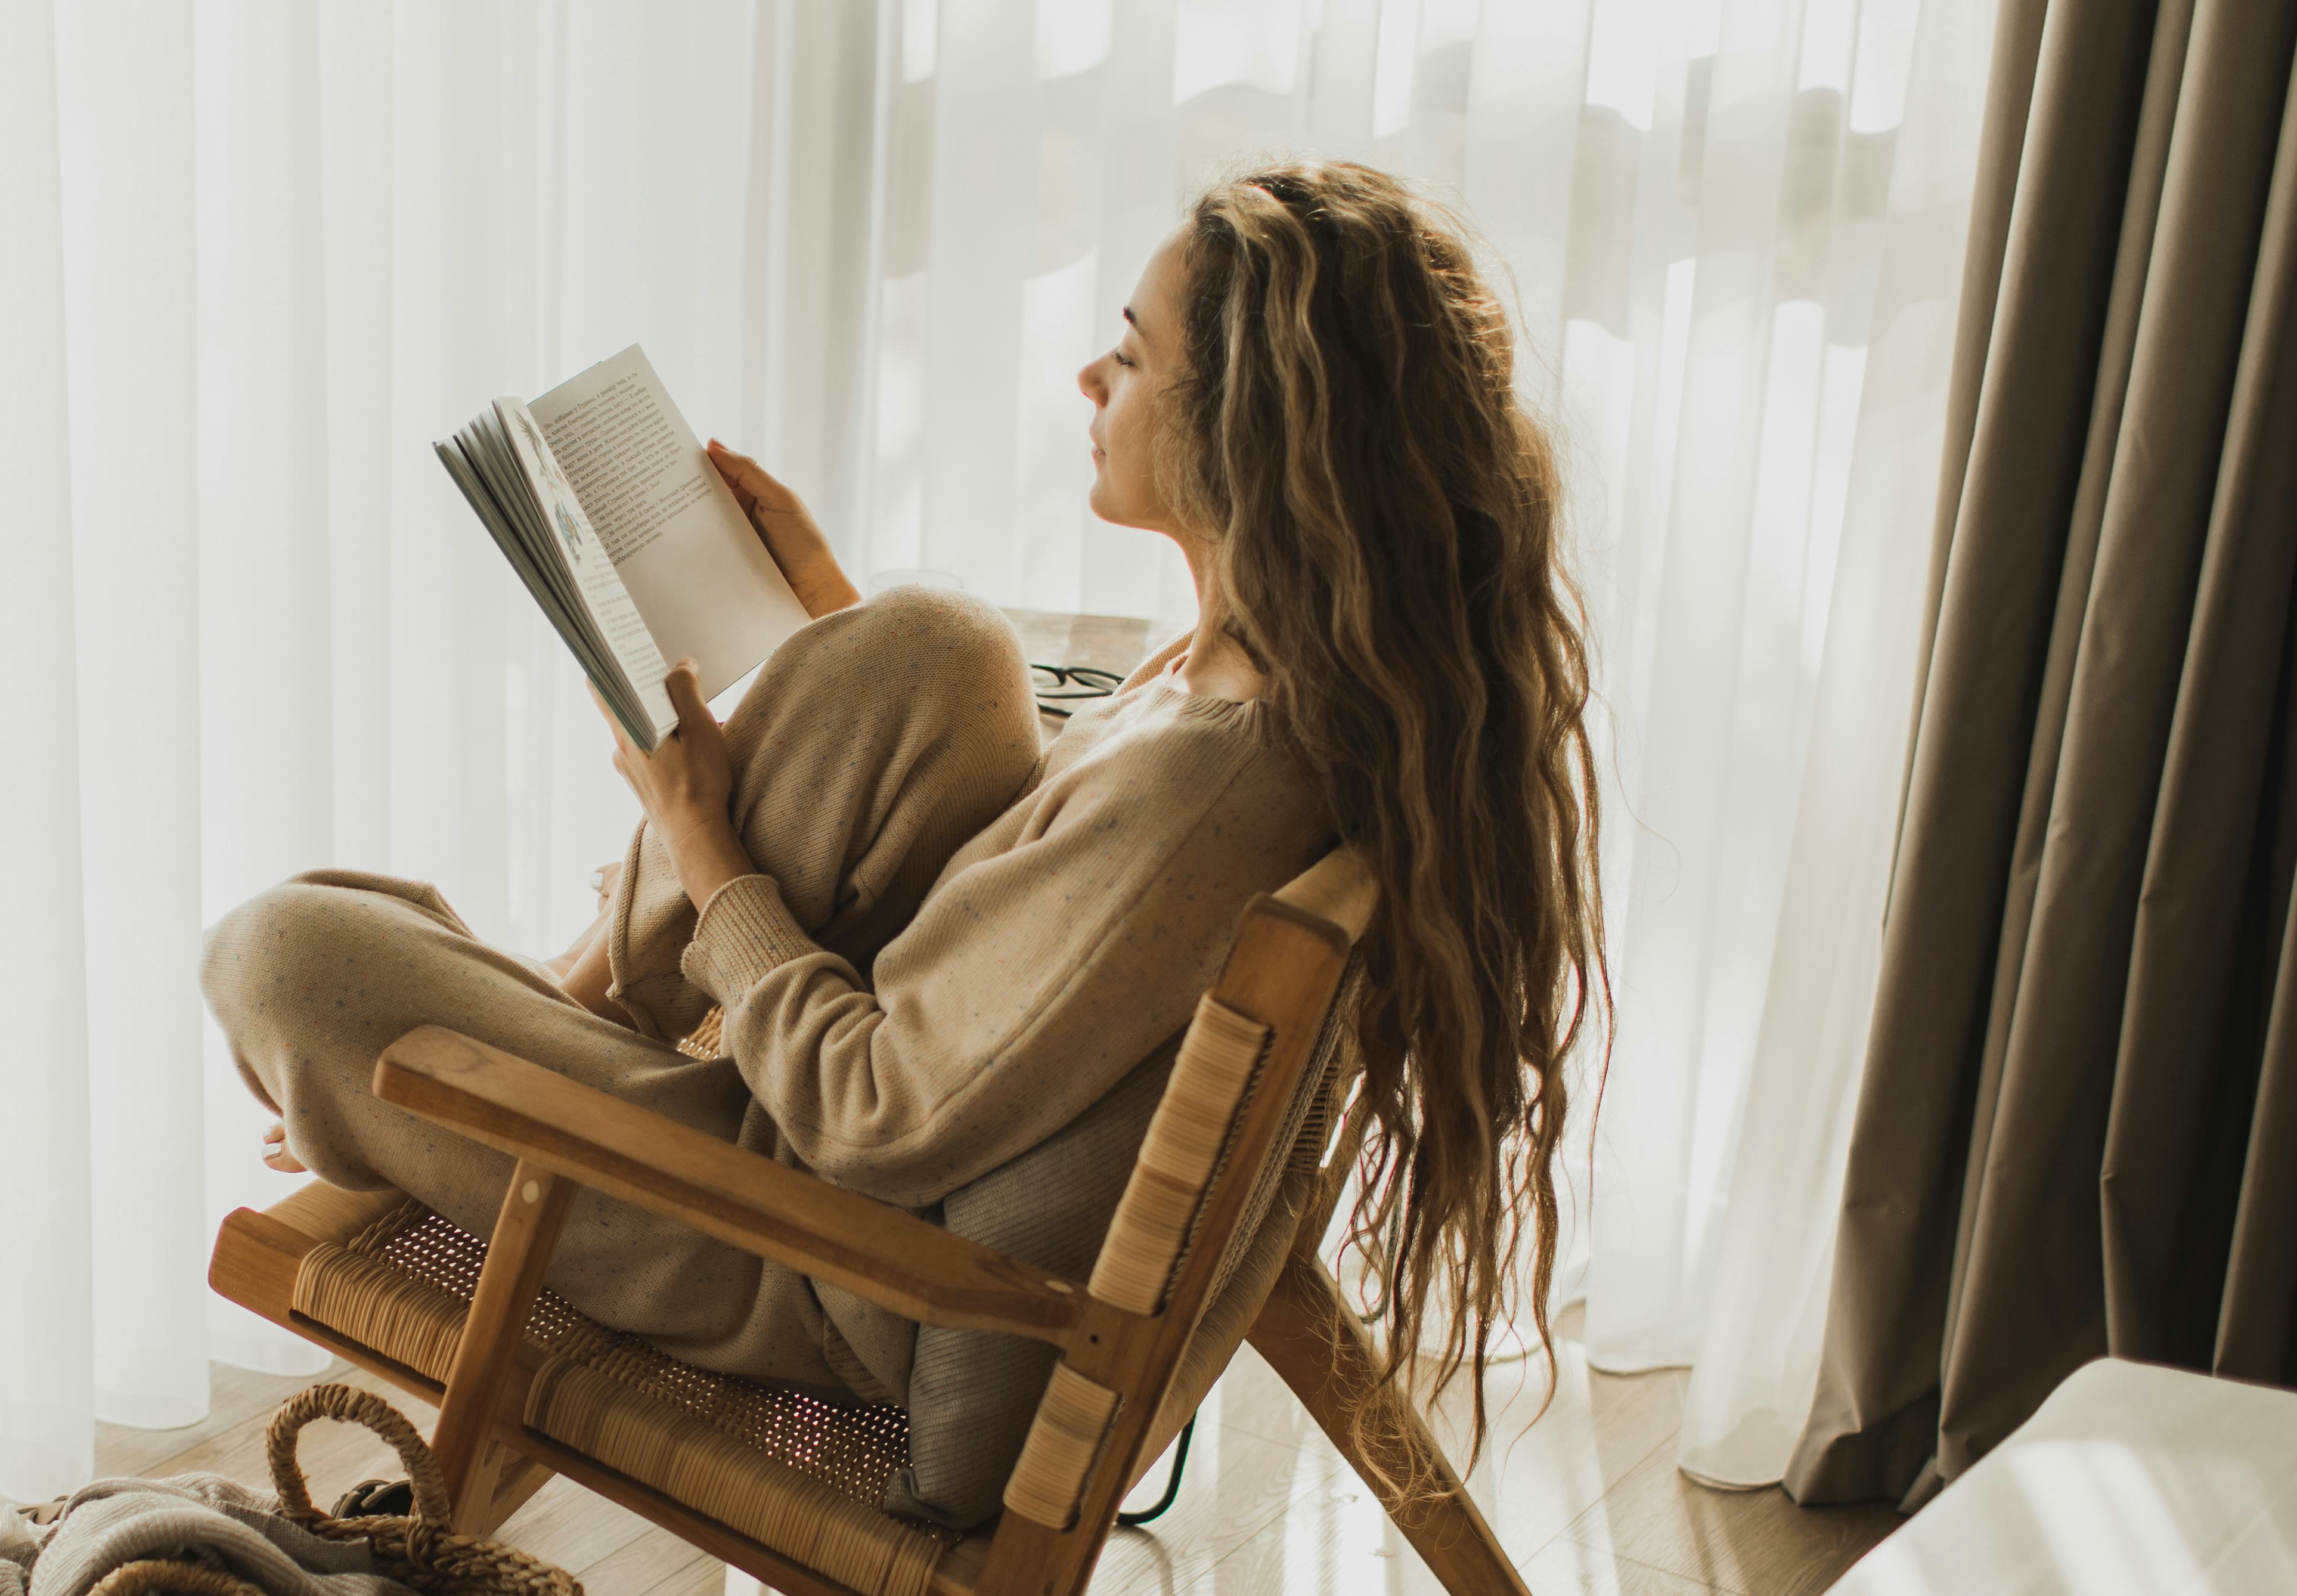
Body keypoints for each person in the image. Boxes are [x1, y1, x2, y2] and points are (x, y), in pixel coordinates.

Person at [202, 162, 1601, 1460]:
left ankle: (538, 1039)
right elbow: (1028, 923)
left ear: (1243, 422)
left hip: (828, 1260)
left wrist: (701, 831)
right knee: (937, 645)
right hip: (836, 1163)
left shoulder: (1216, 773)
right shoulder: (1250, 671)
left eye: (1129, 354)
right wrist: (830, 616)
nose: (1086, 377)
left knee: (280, 951)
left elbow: (874, 1115)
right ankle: (569, 1015)